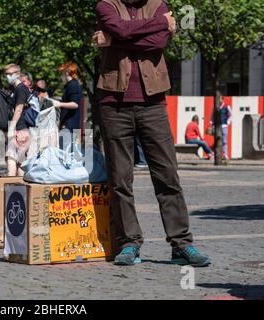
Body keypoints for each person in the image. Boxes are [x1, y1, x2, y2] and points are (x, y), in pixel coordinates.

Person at [95, 0, 210, 267]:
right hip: (114, 102)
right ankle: (128, 243)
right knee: (120, 180)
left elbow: (157, 44)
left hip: (153, 103)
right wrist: (161, 24)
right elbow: (123, 31)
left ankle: (181, 244)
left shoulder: (160, 4)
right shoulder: (105, 5)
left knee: (167, 175)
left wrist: (111, 40)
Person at [5, 63, 32, 176]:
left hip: (19, 129)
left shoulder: (20, 89)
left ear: (17, 74)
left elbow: (19, 109)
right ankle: (21, 189)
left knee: (11, 158)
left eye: (9, 74)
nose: (7, 77)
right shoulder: (22, 89)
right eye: (6, 74)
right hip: (24, 130)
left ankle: (10, 185)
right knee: (21, 162)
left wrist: (11, 128)